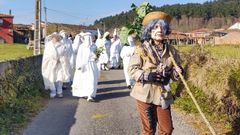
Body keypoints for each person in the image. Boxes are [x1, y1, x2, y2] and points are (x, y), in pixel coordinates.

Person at [128, 11, 183, 135]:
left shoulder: (172, 51)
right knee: (149, 130)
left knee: (167, 129)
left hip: (163, 95)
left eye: (163, 27)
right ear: (149, 30)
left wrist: (178, 72)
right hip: (144, 94)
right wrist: (147, 75)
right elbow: (132, 70)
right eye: (156, 27)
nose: (160, 30)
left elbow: (175, 74)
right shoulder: (141, 49)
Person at [71, 32, 99, 102]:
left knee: (92, 79)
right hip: (84, 66)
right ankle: (85, 93)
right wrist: (79, 65)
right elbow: (79, 56)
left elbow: (97, 56)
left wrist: (96, 58)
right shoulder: (82, 46)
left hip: (92, 65)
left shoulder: (94, 46)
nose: (89, 39)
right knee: (84, 80)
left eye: (90, 37)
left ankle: (90, 95)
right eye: (87, 37)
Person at [42, 33, 71, 98]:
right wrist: (52, 60)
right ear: (52, 38)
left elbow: (65, 56)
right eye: (54, 37)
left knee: (60, 78)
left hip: (60, 65)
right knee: (51, 78)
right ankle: (53, 91)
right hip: (50, 65)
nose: (55, 39)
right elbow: (46, 56)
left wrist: (60, 60)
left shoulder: (62, 46)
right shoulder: (49, 46)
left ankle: (59, 92)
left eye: (56, 37)